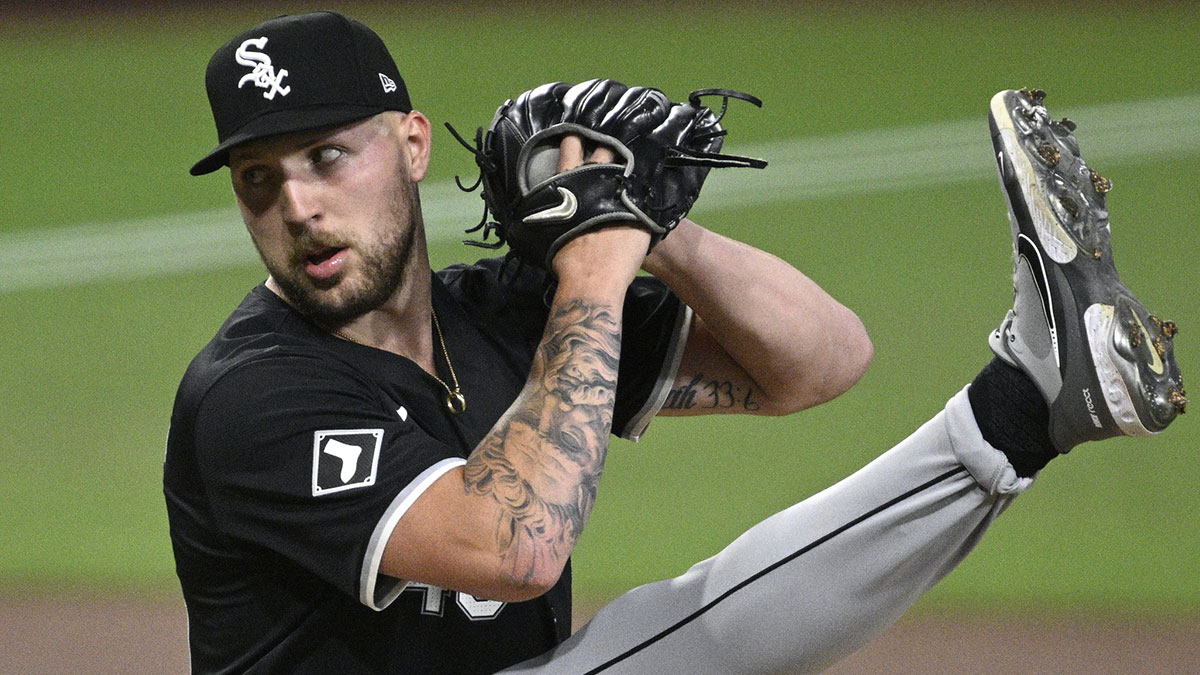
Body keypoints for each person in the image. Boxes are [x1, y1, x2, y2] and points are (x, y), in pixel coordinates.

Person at [164, 10, 1184, 675]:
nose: (298, 205)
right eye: (260, 179)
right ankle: (1020, 406)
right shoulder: (253, 396)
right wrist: (597, 264)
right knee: (681, 639)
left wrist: (654, 225)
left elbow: (821, 361)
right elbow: (513, 550)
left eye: (327, 156)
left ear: (412, 144)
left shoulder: (502, 315)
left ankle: (1023, 409)